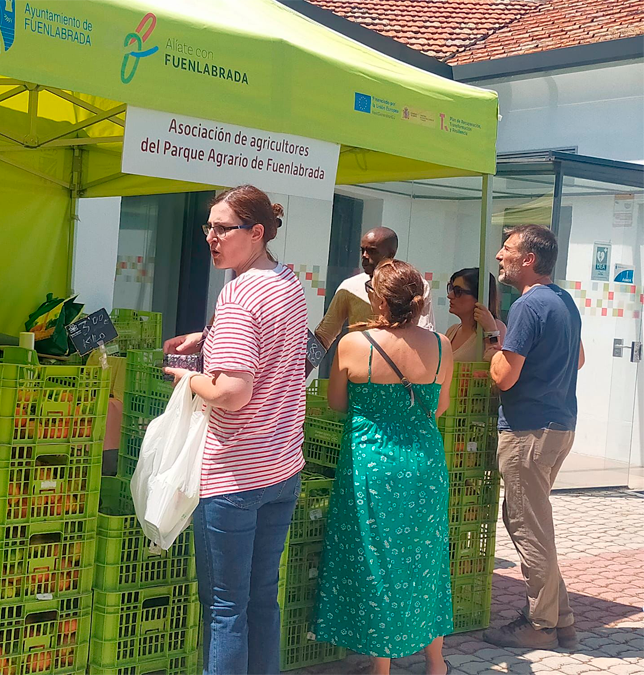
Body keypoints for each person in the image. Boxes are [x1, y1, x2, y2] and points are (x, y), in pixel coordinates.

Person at [163, 185, 307, 675]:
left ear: (257, 232)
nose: (212, 237)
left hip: (235, 474)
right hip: (282, 467)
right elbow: (274, 337)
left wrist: (189, 376)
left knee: (226, 610)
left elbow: (231, 392)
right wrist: (208, 338)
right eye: (210, 226)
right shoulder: (286, 282)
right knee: (263, 600)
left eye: (223, 228)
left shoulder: (238, 294)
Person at [315, 259, 454, 675]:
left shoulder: (353, 344)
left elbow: (336, 403)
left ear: (376, 298)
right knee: (426, 560)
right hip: (424, 464)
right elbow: (440, 407)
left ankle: (381, 667)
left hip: (370, 465)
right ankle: (436, 663)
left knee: (376, 559)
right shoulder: (442, 346)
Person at [478, 225, 584, 650]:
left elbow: (504, 377)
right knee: (533, 523)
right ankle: (564, 621)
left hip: (528, 432)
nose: (500, 256)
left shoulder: (527, 305)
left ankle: (539, 625)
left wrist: (493, 345)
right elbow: (577, 359)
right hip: (559, 425)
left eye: (507, 249)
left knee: (529, 529)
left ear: (529, 260)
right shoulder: (564, 301)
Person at [314, 227, 435, 350]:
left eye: (372, 251)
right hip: (360, 364)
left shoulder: (416, 286)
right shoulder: (350, 287)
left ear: (391, 254)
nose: (365, 256)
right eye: (362, 250)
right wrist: (299, 367)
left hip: (402, 363)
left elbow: (425, 333)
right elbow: (324, 336)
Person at [444, 267, 507, 361]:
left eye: (458, 291)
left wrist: (491, 331)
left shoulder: (496, 327)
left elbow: (498, 364)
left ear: (479, 297)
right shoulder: (452, 331)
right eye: (451, 289)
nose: (450, 296)